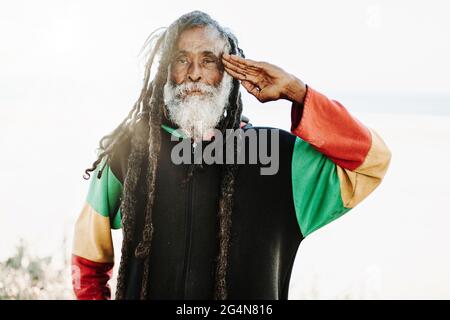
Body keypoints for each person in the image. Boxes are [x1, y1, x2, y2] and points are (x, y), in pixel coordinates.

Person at [71, 11, 391, 300]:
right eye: (181, 59)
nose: (194, 73)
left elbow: (372, 160)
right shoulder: (131, 153)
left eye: (209, 59)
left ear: (230, 72)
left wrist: (298, 92)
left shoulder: (279, 159)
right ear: (165, 70)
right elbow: (88, 261)